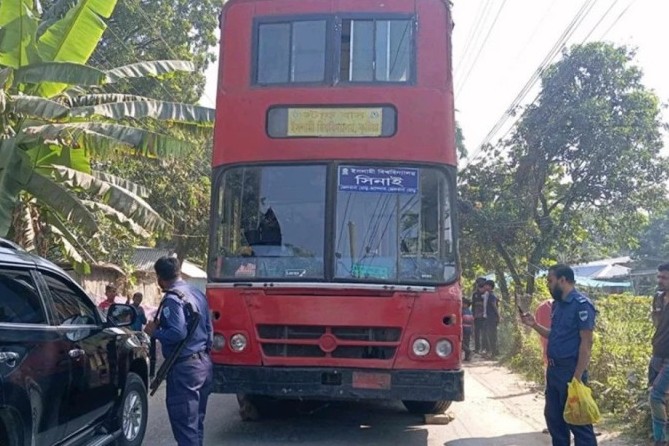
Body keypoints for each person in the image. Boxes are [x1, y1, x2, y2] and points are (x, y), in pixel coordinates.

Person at [520, 264, 597, 446]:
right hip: (553, 371)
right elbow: (554, 335)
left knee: (578, 422)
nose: (548, 284)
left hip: (570, 372)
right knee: (554, 419)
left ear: (563, 280)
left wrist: (577, 377)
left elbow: (587, 343)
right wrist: (534, 325)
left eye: (550, 280)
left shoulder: (582, 306)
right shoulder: (557, 305)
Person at [144, 256, 213, 446]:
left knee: (185, 425)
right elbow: (209, 329)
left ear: (159, 278)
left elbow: (177, 332)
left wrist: (154, 331)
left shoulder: (173, 300)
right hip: (203, 365)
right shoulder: (197, 293)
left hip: (184, 370)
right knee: (196, 422)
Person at [648, 263, 669, 446]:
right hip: (657, 353)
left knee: (655, 396)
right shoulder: (658, 298)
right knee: (660, 396)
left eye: (664, 277)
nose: (660, 280)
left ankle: (660, 440)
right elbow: (657, 324)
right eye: (659, 276)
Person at [483, 279, 500, 358]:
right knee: (491, 334)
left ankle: (494, 352)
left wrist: (498, 315)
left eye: (486, 285)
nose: (485, 286)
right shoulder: (488, 295)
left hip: (492, 317)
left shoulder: (491, 295)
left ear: (490, 286)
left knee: (492, 335)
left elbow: (494, 306)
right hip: (489, 317)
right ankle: (494, 351)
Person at [472, 277, 487, 354]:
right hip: (477, 316)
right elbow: (473, 306)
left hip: (485, 316)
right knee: (477, 333)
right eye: (479, 283)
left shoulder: (487, 293)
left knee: (484, 333)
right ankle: (477, 348)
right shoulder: (475, 294)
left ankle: (484, 348)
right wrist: (473, 315)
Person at [462, 297, 474, 362]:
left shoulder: (462, 311)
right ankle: (467, 357)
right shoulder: (470, 311)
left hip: (464, 328)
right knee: (467, 342)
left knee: (461, 343)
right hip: (469, 328)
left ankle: (468, 351)